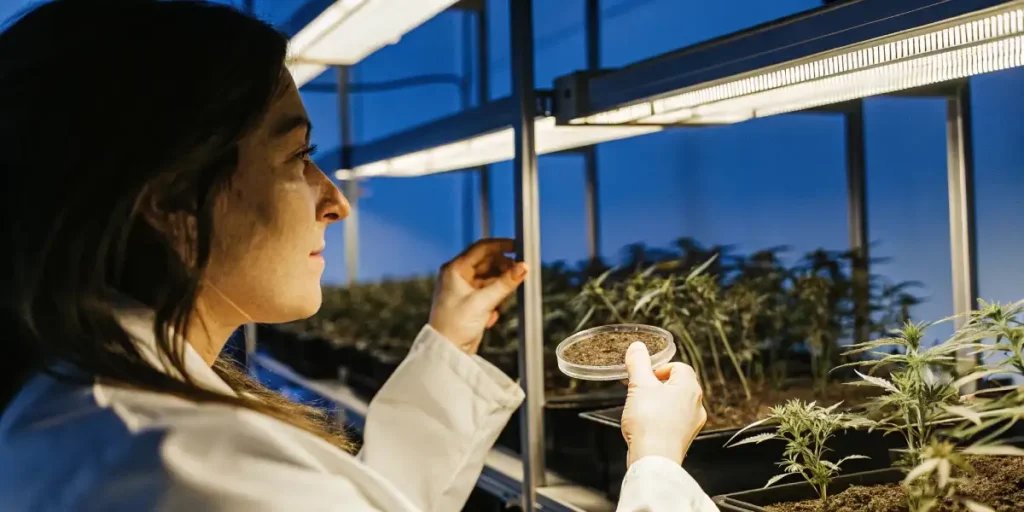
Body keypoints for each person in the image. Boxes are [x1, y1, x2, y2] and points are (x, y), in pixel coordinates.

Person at [0, 1, 716, 511]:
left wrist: (450, 339)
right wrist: (654, 466)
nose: (336, 202)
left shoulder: (91, 407)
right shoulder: (179, 472)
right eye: (296, 156)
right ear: (171, 197)